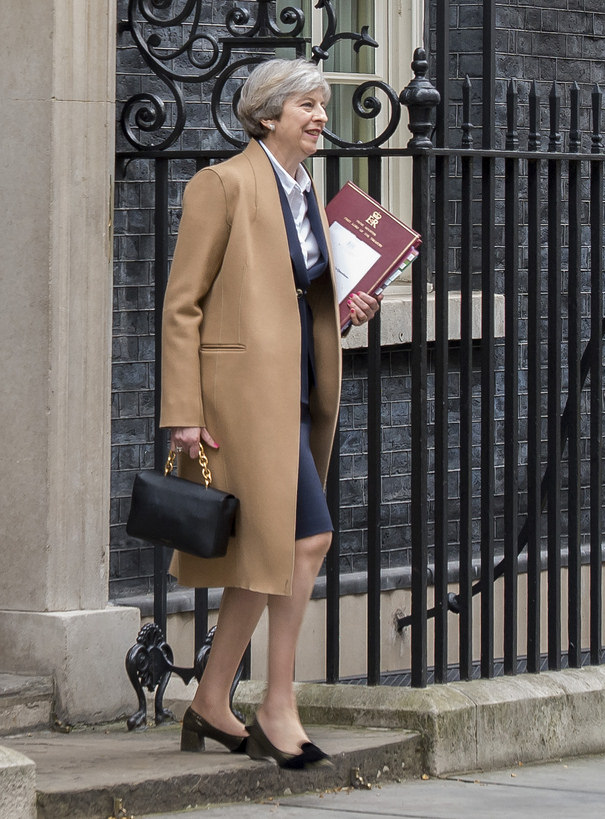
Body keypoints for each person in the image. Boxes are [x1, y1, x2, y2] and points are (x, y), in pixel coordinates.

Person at [160, 58, 380, 769]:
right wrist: (183, 412)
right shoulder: (220, 184)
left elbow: (300, 293)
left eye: (320, 105)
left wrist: (346, 310)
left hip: (297, 386)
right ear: (267, 115)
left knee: (270, 548)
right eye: (306, 106)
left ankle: (212, 695)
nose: (320, 117)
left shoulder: (307, 190)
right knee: (302, 541)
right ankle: (277, 702)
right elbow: (182, 305)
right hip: (239, 401)